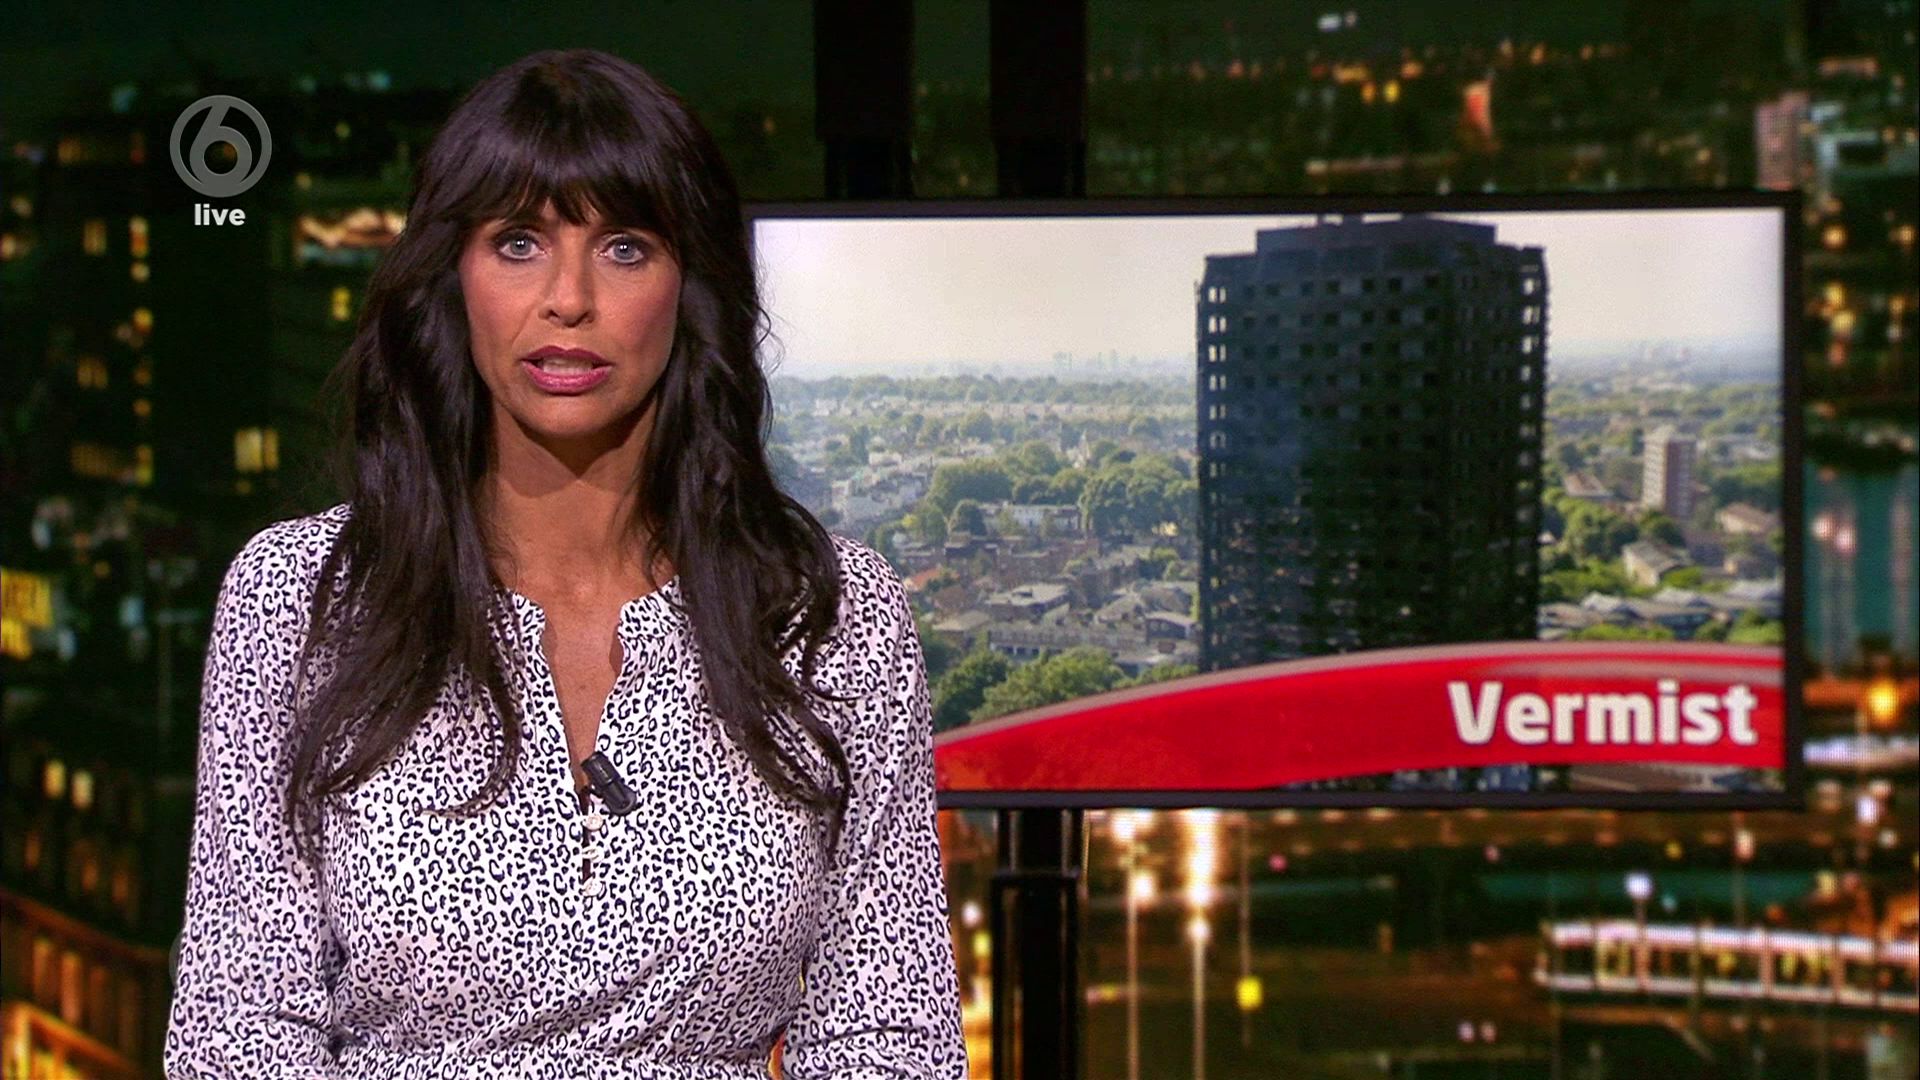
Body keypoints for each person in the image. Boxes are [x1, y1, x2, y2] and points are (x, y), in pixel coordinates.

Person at [163, 48, 967, 1079]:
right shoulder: (300, 597)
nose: (569, 299)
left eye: (625, 247)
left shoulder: (827, 611)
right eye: (519, 242)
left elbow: (887, 1031)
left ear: (690, 285)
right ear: (453, 276)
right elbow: (239, 1029)